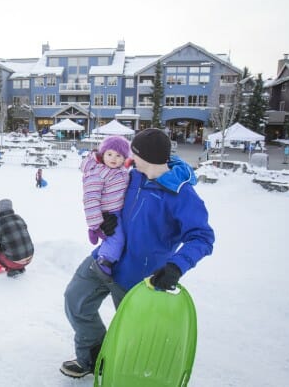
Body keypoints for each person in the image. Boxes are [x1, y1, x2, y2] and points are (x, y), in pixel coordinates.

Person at [61, 128, 215, 379]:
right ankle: (93, 354)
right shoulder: (132, 176)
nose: (127, 157)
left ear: (148, 157)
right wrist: (105, 220)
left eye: (133, 153)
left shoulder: (181, 194)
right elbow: (101, 191)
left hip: (139, 276)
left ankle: (118, 365)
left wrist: (176, 267)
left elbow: (203, 237)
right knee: (75, 300)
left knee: (133, 333)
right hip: (105, 258)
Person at [80, 136, 131, 280]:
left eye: (118, 155)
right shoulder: (98, 172)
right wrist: (95, 224)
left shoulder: (120, 171)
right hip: (107, 213)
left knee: (116, 238)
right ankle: (104, 262)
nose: (113, 158)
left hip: (118, 210)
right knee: (117, 238)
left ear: (124, 158)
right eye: (109, 154)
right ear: (103, 154)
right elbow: (91, 198)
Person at [0, 199, 34, 278]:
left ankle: (13, 269)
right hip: (30, 257)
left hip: (16, 261)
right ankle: (20, 268)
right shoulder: (19, 218)